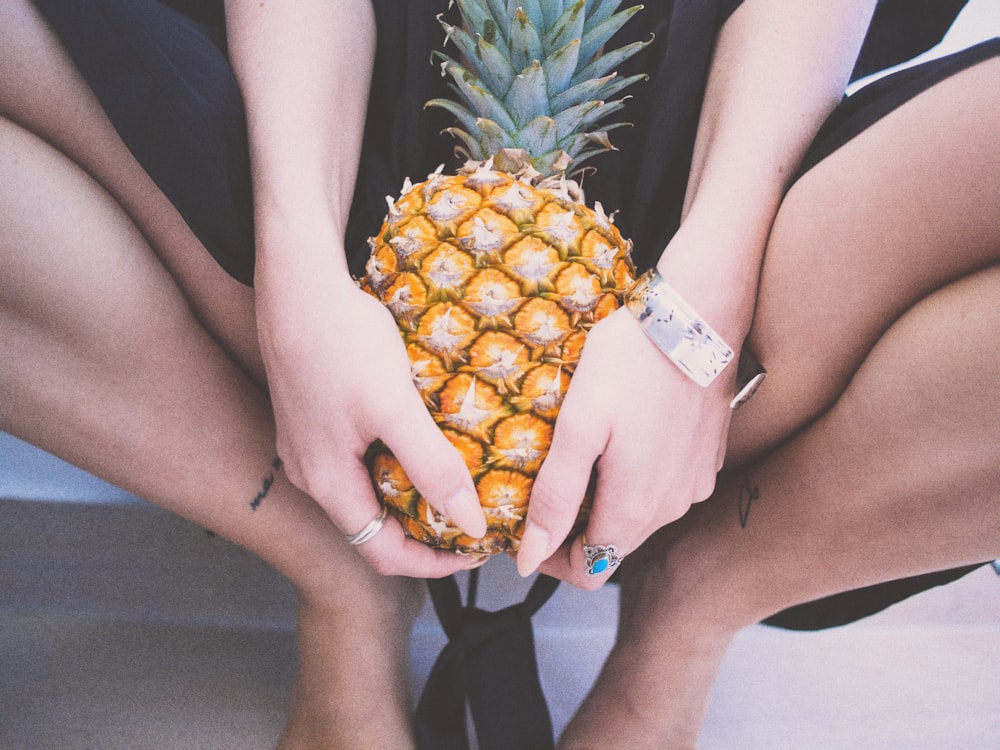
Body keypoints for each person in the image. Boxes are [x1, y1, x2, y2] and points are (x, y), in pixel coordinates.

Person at [0, 1, 996, 748]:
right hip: (331, 123)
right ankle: (331, 562)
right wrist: (297, 265)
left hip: (740, 165)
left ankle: (693, 600)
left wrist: (696, 312)